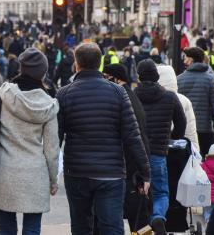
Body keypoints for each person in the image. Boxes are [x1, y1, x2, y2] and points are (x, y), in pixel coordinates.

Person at [57, 43, 150, 235]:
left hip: (77, 171)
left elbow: (55, 138)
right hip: (111, 172)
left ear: (77, 64)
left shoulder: (64, 94)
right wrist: (145, 172)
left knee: (81, 226)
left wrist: (50, 174)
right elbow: (133, 135)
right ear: (100, 64)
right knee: (111, 226)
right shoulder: (118, 93)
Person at [0, 47, 60, 235]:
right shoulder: (49, 105)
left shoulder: (3, 94)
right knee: (32, 229)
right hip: (35, 174)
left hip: (3, 170)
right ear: (43, 72)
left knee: (6, 228)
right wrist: (53, 180)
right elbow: (52, 149)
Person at [134, 59, 187, 234]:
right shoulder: (170, 97)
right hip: (158, 152)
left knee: (137, 192)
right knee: (161, 192)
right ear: (156, 76)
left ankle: (142, 227)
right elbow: (181, 124)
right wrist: (172, 137)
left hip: (136, 153)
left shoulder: (131, 96)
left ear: (139, 76)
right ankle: (157, 216)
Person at [102, 63, 151, 232]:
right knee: (138, 218)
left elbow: (132, 137)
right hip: (135, 165)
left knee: (131, 217)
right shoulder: (131, 96)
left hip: (129, 167)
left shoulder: (122, 97)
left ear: (115, 78)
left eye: (106, 77)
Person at [178, 47, 214, 156]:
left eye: (186, 58)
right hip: (205, 130)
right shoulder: (211, 79)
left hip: (185, 130)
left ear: (191, 60)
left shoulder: (179, 79)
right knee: (208, 165)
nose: (184, 61)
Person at [157, 65, 200, 152]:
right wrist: (195, 151)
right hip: (178, 151)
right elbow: (190, 132)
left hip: (157, 149)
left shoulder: (154, 98)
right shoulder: (184, 100)